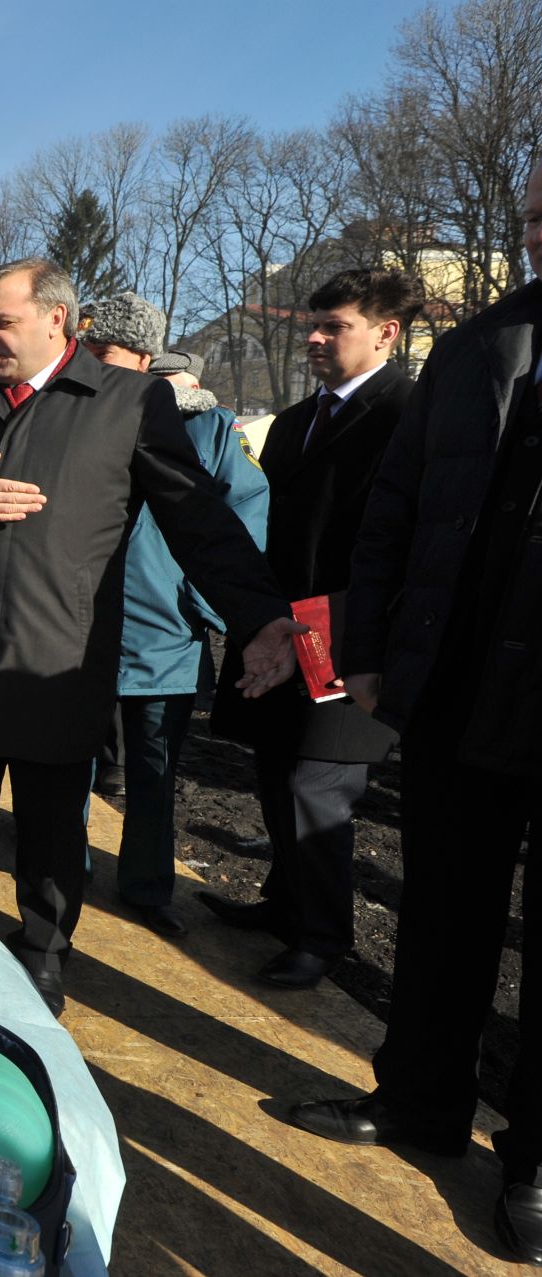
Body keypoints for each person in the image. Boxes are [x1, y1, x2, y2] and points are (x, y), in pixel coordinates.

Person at [0, 258, 298, 1015]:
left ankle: (42, 952)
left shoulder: (126, 403)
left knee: (49, 839)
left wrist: (260, 614)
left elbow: (196, 518)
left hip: (56, 665)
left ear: (56, 320)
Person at [287, 160, 542, 1267]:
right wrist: (377, 652)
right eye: (535, 211)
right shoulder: (477, 346)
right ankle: (420, 1101)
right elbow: (393, 507)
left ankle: (533, 1162)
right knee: (442, 908)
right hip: (457, 685)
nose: (540, 230)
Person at [205, 268, 423, 990]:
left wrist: (337, 625)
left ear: (386, 332)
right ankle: (284, 902)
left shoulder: (410, 414)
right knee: (274, 765)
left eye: (336, 326)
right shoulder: (298, 420)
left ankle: (323, 936)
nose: (315, 337)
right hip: (281, 630)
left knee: (319, 788)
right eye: (314, 324)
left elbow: (400, 542)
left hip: (351, 636)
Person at [80, 297, 270, 939]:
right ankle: (60, 870)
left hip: (166, 633)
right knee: (67, 759)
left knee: (155, 772)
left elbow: (245, 515)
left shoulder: (210, 430)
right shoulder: (74, 419)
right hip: (74, 630)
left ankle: (146, 886)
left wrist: (202, 606)